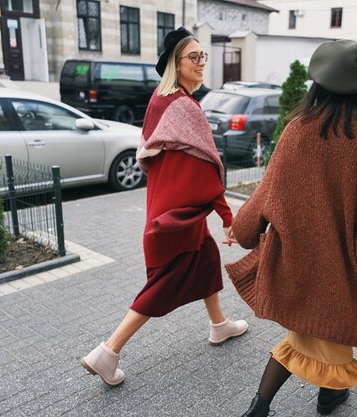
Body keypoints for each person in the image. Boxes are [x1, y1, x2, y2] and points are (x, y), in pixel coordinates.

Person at [226, 39, 357, 416]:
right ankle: (321, 397)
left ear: (316, 86)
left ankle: (271, 404)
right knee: (328, 331)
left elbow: (265, 193)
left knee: (310, 332)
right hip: (339, 273)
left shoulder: (295, 131)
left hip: (295, 267)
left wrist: (243, 229)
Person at [80, 27, 248, 387]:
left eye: (204, 56)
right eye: (194, 57)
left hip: (167, 210)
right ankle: (108, 352)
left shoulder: (159, 101)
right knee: (163, 283)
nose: (202, 63)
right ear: (176, 62)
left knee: (205, 258)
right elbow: (205, 170)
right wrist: (228, 217)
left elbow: (159, 162)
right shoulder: (185, 107)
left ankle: (218, 325)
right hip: (179, 216)